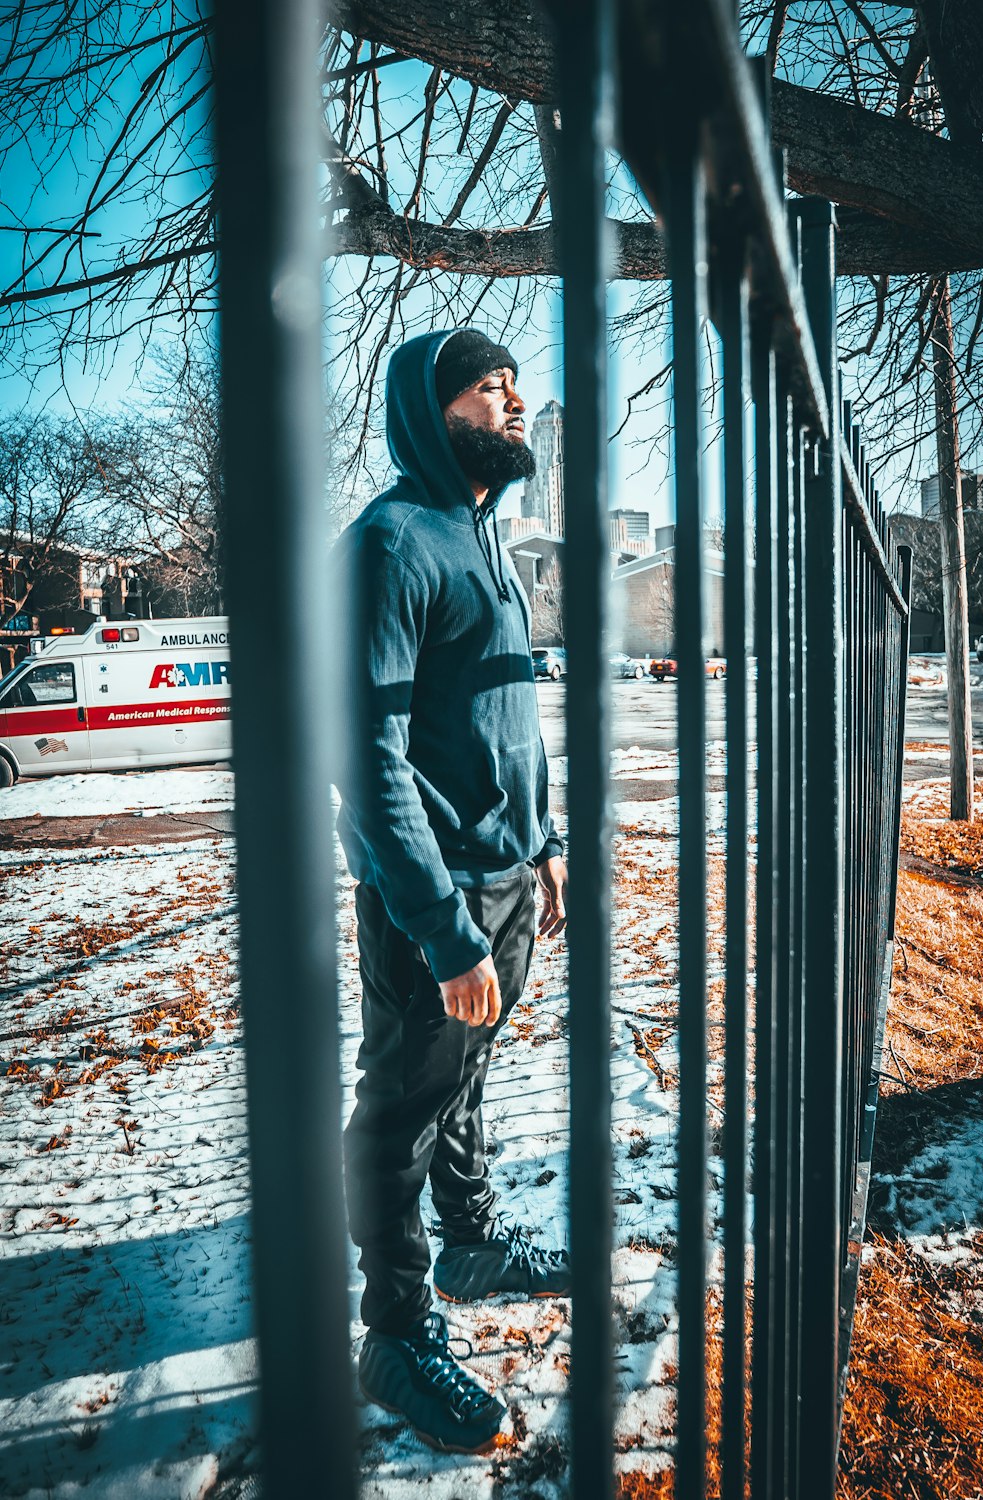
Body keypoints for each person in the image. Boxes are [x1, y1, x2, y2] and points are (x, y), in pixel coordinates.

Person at [333, 328, 570, 1455]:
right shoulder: (387, 544)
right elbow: (366, 755)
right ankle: (396, 1330)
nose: (516, 404)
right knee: (402, 1112)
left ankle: (470, 1238)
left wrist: (548, 844)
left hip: (510, 880)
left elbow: (507, 715)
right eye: (491, 388)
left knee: (466, 1075)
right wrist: (443, 930)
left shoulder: (484, 539)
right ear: (435, 413)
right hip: (438, 904)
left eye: (518, 387)